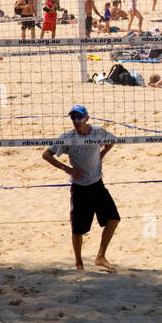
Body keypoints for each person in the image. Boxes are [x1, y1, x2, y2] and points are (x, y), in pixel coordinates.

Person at [42, 105, 120, 272]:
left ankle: (100, 256)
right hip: (79, 188)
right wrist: (67, 169)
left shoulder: (98, 131)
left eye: (79, 117)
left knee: (113, 219)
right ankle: (79, 263)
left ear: (86, 118)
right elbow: (46, 155)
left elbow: (111, 141)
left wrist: (102, 154)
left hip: (97, 184)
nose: (76, 120)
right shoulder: (68, 137)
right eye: (73, 118)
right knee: (78, 229)